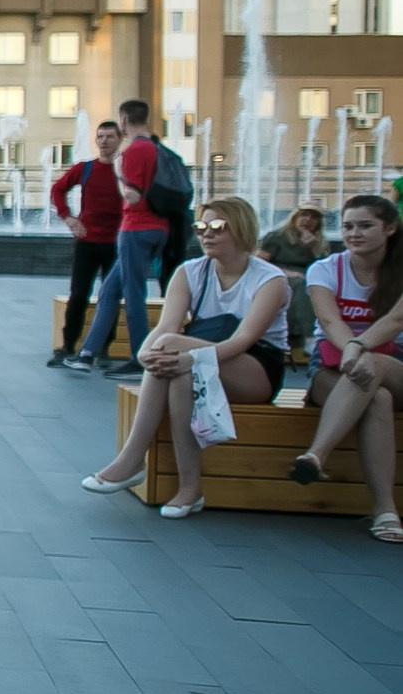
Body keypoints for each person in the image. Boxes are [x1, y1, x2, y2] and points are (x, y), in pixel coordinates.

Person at [82, 197, 289, 519]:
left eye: (218, 226)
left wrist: (189, 359)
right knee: (174, 365)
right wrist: (146, 356)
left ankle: (132, 459)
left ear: (241, 229)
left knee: (174, 350)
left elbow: (244, 340)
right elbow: (166, 325)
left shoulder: (269, 279)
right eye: (201, 226)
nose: (206, 233)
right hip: (199, 356)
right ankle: (189, 489)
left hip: (253, 365)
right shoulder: (190, 272)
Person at [288, 194, 402, 542]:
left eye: (365, 226)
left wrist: (358, 346)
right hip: (333, 367)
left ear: (390, 228)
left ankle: (317, 454)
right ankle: (385, 510)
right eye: (348, 225)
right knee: (377, 397)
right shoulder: (325, 268)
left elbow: (396, 320)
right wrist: (352, 350)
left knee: (378, 368)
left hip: (395, 364)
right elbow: (329, 319)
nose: (354, 233)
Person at [67, 100, 174, 376]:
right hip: (158, 228)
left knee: (133, 292)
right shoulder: (158, 148)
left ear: (123, 119)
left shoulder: (136, 151)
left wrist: (117, 172)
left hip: (136, 228)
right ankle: (87, 353)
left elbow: (133, 195)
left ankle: (140, 357)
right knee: (110, 290)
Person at [49, 122, 124, 364]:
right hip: (87, 242)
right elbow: (57, 189)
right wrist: (68, 217)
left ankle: (102, 348)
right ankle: (67, 347)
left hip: (117, 243)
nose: (104, 141)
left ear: (119, 139)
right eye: (100, 136)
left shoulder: (125, 170)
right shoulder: (86, 168)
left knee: (110, 296)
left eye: (110, 137)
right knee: (79, 295)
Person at [259, 203, 329, 359]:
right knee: (301, 286)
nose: (307, 220)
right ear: (295, 217)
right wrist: (284, 272)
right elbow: (260, 263)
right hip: (278, 274)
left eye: (313, 217)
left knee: (316, 286)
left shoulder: (319, 242)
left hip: (307, 276)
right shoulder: (277, 237)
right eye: (304, 215)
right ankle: (307, 336)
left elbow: (325, 268)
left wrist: (313, 248)